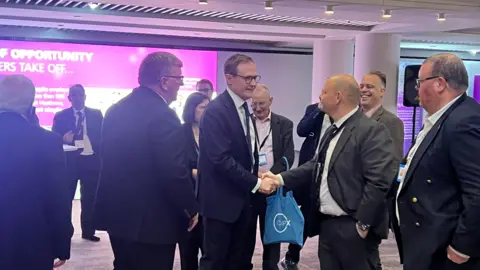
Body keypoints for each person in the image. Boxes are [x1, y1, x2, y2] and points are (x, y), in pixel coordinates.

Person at [262, 74, 397, 270]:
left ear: (338, 97)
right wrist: (279, 178)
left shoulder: (372, 131)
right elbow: (316, 164)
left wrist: (362, 224)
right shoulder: (333, 130)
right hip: (327, 225)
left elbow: (379, 182)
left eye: (324, 92)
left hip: (353, 227)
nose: (320, 96)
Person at [94, 52, 199, 269]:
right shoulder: (164, 116)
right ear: (164, 82)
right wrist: (191, 207)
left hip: (118, 215)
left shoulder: (115, 109)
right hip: (153, 222)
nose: (181, 84)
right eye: (179, 79)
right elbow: (173, 172)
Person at [391, 53, 480, 270]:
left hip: (444, 252)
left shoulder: (463, 121)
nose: (416, 89)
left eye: (420, 82)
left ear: (440, 84)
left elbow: (477, 190)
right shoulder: (442, 118)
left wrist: (462, 246)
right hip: (425, 243)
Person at [198, 53, 277, 270]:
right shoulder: (216, 111)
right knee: (215, 262)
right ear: (229, 78)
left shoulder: (244, 108)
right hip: (221, 204)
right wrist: (257, 183)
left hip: (243, 203)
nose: (253, 83)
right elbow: (220, 159)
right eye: (247, 78)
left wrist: (256, 172)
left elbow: (243, 152)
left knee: (240, 261)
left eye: (255, 78)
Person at [0, 74, 73, 270]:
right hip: (32, 245)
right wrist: (62, 244)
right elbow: (58, 199)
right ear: (31, 105)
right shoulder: (48, 142)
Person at [243, 84, 295, 270]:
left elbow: (288, 157)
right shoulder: (243, 122)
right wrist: (256, 176)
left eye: (262, 104)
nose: (257, 108)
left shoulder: (284, 124)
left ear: (270, 101)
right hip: (249, 186)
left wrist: (270, 177)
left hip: (273, 188)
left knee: (272, 235)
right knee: (245, 236)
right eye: (254, 104)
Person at [281, 101, 332, 270]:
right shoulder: (314, 109)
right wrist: (319, 110)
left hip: (331, 172)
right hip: (309, 169)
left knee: (323, 216)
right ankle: (292, 256)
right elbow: (301, 130)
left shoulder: (341, 112)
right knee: (303, 215)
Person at [52, 84, 103, 242]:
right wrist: (63, 138)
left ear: (85, 97)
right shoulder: (61, 116)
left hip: (91, 161)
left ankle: (88, 231)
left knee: (89, 198)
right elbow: (53, 138)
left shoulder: (96, 114)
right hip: (69, 163)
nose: (78, 98)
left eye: (80, 95)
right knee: (66, 199)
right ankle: (65, 232)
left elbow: (103, 136)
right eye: (74, 95)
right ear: (69, 98)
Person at [179, 92, 210, 270]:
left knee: (209, 250)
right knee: (188, 250)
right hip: (188, 197)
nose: (207, 112)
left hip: (209, 199)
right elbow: (176, 164)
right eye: (203, 108)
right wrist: (194, 172)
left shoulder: (212, 131)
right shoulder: (181, 131)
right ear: (192, 109)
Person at [360, 71, 404, 162]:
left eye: (369, 86)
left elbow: (394, 161)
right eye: (361, 86)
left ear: (382, 92)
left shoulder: (392, 122)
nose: (363, 90)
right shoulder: (352, 118)